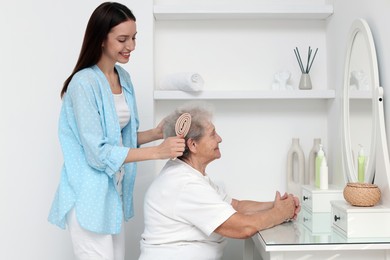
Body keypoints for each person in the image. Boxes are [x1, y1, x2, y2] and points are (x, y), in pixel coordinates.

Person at [48, 2, 185, 260]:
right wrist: (158, 152)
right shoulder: (83, 84)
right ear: (101, 39)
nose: (131, 46)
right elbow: (99, 154)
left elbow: (122, 140)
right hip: (88, 195)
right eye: (122, 39)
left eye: (134, 38)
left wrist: (157, 133)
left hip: (112, 193)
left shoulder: (124, 78)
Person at [139, 104, 301, 260]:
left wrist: (276, 204)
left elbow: (235, 205)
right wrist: (280, 213)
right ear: (193, 144)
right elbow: (243, 228)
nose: (220, 139)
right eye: (212, 134)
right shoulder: (184, 184)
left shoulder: (189, 174)